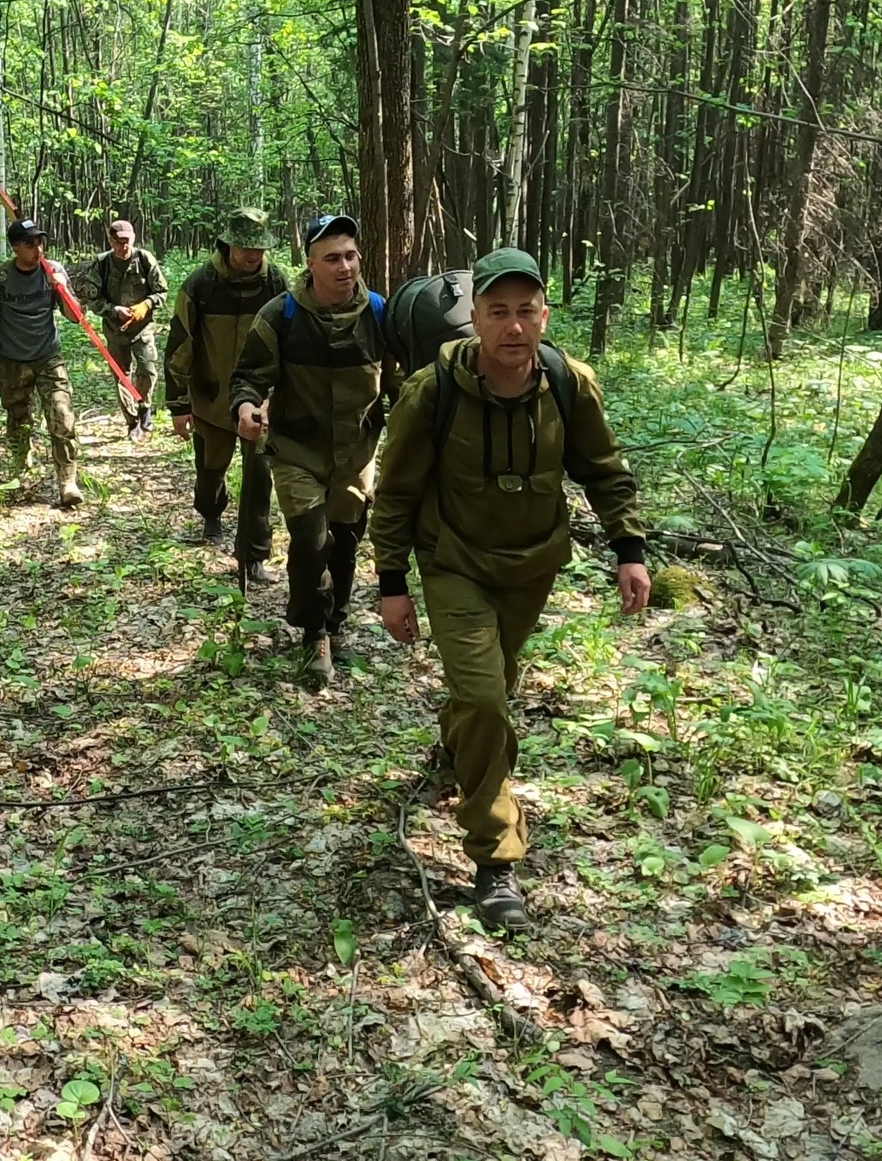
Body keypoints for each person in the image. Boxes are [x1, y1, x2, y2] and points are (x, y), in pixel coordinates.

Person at [370, 248, 649, 933]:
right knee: (486, 695)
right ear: (476, 321)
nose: (514, 326)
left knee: (488, 690)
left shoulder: (567, 383)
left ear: (544, 316)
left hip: (532, 567)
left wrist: (629, 550)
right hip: (454, 563)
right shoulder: (430, 393)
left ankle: (456, 752)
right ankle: (496, 864)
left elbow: (604, 469)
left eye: (526, 311)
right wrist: (391, 583)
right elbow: (397, 493)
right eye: (498, 312)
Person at [229, 214, 399, 692]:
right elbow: (248, 377)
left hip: (356, 453)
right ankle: (314, 630)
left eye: (350, 256)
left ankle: (336, 620)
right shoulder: (280, 316)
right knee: (310, 540)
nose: (344, 267)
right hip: (297, 451)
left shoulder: (382, 315)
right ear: (310, 264)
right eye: (332, 258)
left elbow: (403, 383)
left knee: (345, 542)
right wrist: (245, 407)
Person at [165, 209, 289, 582]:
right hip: (212, 397)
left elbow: (291, 338)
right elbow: (180, 343)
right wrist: (178, 404)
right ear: (229, 244)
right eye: (245, 247)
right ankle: (211, 515)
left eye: (259, 248)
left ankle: (253, 554)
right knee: (210, 469)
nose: (253, 255)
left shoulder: (276, 283)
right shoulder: (200, 285)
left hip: (259, 399)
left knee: (259, 475)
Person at [0, 217, 82, 508]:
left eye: (40, 242)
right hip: (12, 361)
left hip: (48, 357)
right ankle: (22, 473)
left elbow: (76, 317)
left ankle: (68, 480)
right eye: (30, 244)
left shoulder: (52, 271)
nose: (38, 248)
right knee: (19, 421)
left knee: (62, 417)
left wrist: (62, 289)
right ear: (15, 248)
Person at [75, 218, 172, 439]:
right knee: (122, 376)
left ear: (134, 239)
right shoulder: (101, 263)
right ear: (111, 241)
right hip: (115, 330)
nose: (123, 246)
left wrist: (146, 305)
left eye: (127, 241)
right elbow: (92, 299)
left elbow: (162, 292)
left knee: (147, 370)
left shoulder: (145, 259)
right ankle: (132, 421)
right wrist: (113, 309)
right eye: (118, 242)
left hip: (143, 328)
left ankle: (144, 407)